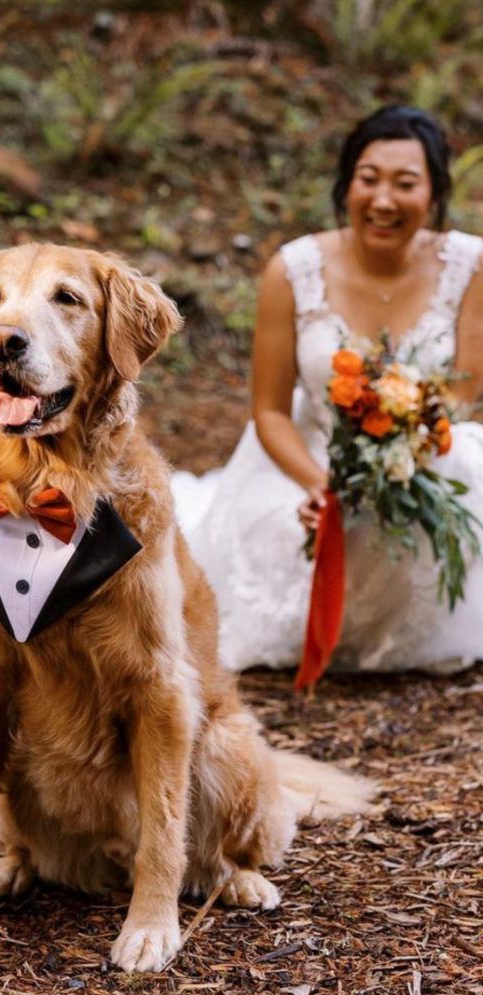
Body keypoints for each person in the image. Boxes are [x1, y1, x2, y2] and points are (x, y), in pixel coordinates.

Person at [172, 105, 483, 675]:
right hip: (307, 457)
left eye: (406, 183)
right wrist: (325, 489)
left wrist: (404, 450)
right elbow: (269, 412)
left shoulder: (471, 265)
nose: (383, 200)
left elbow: (462, 394)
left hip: (425, 452)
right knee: (300, 525)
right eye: (368, 180)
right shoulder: (292, 271)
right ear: (347, 184)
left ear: (435, 191)